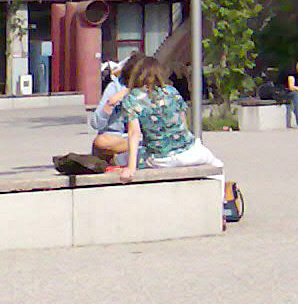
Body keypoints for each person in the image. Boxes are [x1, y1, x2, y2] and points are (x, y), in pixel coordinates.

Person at [117, 56, 237, 219]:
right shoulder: (172, 92)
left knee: (120, 159)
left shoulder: (131, 99)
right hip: (189, 152)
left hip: (161, 159)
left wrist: (130, 168)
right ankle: (220, 208)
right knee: (217, 165)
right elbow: (183, 122)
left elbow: (134, 134)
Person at [89, 54, 139, 164]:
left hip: (142, 136)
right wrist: (110, 104)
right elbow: (96, 124)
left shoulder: (153, 90)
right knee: (101, 142)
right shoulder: (115, 87)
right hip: (119, 137)